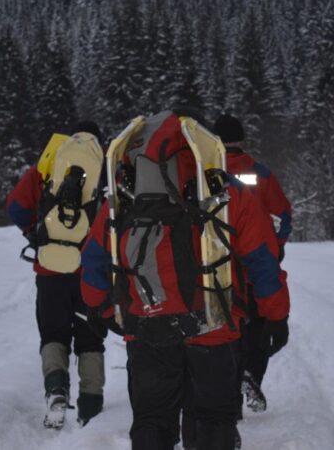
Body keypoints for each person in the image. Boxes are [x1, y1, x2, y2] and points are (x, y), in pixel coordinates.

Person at [80, 110, 290, 449]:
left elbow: (93, 260)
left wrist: (101, 310)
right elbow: (262, 262)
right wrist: (276, 316)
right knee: (212, 421)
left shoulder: (123, 198)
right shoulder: (227, 191)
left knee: (152, 422)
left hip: (147, 329)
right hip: (214, 328)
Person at [6, 121, 107, 428]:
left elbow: (16, 207)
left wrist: (38, 235)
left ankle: (56, 393)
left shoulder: (47, 168)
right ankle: (91, 406)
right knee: (91, 338)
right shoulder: (104, 172)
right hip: (91, 271)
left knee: (53, 335)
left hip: (50, 270)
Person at [211, 114, 293, 414]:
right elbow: (283, 214)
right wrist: (278, 245)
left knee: (226, 331)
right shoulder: (260, 172)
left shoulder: (205, 172)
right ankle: (251, 374)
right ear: (242, 139)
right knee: (260, 326)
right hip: (256, 261)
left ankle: (230, 394)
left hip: (218, 266)